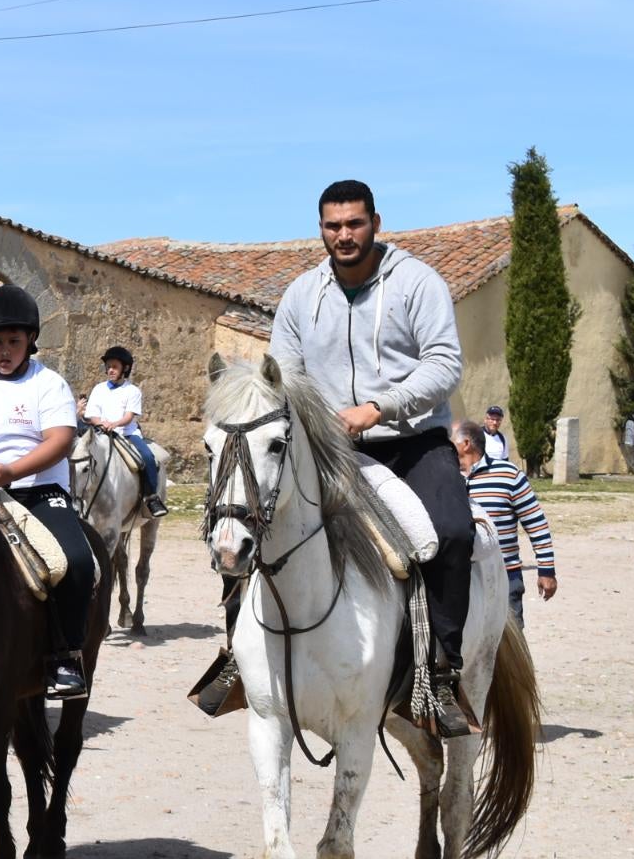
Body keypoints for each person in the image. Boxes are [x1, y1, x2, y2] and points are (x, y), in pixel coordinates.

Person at [192, 179, 474, 735]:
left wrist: (379, 407)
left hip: (412, 441)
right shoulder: (302, 296)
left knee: (452, 530)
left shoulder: (418, 283)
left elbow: (444, 363)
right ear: (321, 229)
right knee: (247, 516)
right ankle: (238, 658)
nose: (344, 235)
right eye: (333, 225)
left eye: (354, 224)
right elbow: (284, 377)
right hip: (329, 446)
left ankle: (440, 670)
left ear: (375, 223)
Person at [0, 286, 99, 699]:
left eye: (13, 342)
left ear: (30, 340)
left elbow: (60, 441)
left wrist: (11, 471)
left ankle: (65, 657)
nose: (4, 351)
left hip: (38, 491)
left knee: (76, 562)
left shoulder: (48, 384)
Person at [455, 418, 555, 629]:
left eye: (449, 439)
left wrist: (546, 570)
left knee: (509, 647)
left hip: (505, 577)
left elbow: (536, 523)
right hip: (459, 579)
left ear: (466, 444)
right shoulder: (446, 477)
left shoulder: (509, 475)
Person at [81, 345, 168, 517]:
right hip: (101, 433)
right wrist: (101, 423)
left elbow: (129, 416)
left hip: (127, 434)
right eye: (108, 366)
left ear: (125, 368)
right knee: (79, 456)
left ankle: (152, 498)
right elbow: (91, 414)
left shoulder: (132, 391)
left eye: (115, 367)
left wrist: (114, 424)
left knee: (147, 457)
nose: (110, 370)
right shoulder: (99, 389)